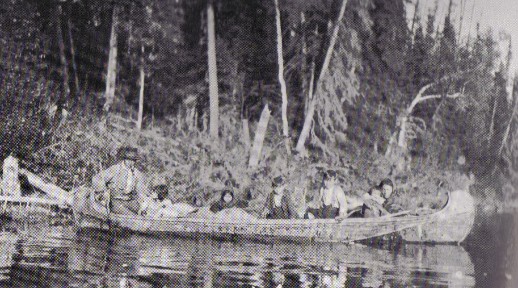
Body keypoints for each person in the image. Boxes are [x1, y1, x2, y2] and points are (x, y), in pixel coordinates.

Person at [91, 146, 150, 215]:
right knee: (132, 217)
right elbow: (97, 179)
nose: (131, 162)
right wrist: (102, 192)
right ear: (125, 159)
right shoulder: (115, 169)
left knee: (145, 213)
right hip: (116, 201)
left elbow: (140, 190)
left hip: (130, 201)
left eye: (134, 160)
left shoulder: (137, 173)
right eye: (129, 160)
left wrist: (143, 202)